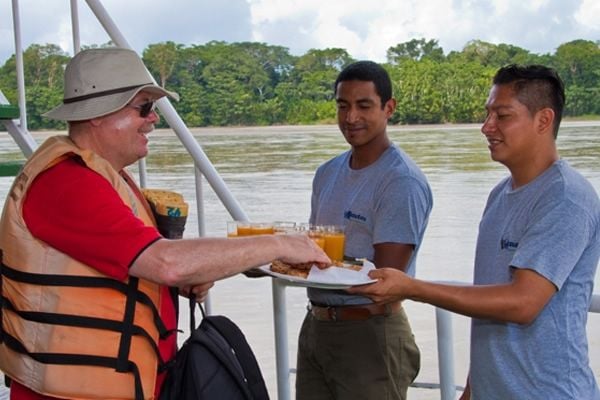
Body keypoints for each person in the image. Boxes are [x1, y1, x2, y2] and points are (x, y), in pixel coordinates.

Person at [0, 47, 330, 400]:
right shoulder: (68, 183)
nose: (153, 119)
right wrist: (279, 243)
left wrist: (187, 281)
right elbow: (167, 262)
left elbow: (139, 265)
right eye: (144, 107)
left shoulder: (110, 179)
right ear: (98, 113)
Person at [350, 64, 600, 399]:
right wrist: (470, 390)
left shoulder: (566, 197)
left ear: (543, 120)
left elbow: (523, 303)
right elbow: (491, 306)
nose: (487, 127)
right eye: (488, 114)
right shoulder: (500, 195)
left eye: (503, 115)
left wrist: (411, 287)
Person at [295, 61, 433, 400]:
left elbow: (384, 279)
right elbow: (317, 253)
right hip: (317, 325)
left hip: (368, 333)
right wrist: (270, 257)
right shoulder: (326, 173)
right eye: (343, 106)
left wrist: (305, 261)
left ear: (389, 108)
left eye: (364, 105)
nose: (351, 117)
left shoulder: (400, 181)